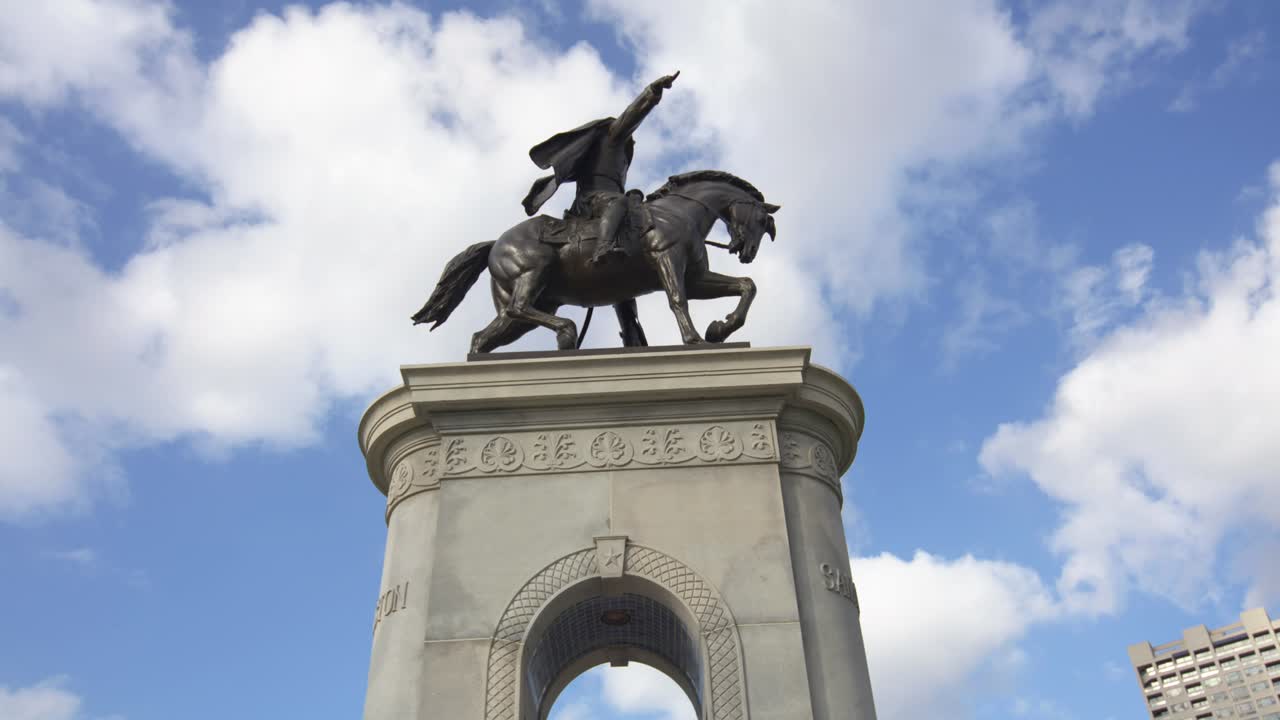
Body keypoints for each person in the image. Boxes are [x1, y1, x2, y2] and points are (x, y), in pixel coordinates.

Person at [521, 71, 679, 263]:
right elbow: (631, 115)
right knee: (618, 202)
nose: (629, 137)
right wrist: (651, 92)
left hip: (607, 198)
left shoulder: (621, 151)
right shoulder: (612, 136)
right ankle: (603, 248)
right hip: (592, 198)